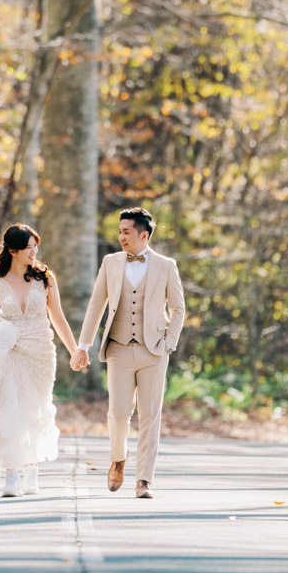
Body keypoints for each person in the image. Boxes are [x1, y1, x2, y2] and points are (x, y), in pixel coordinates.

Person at [0, 224, 87, 497]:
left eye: (36, 246)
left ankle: (31, 468)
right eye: (29, 248)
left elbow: (57, 318)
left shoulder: (45, 279)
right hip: (9, 351)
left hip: (40, 352)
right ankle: (12, 474)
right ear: (13, 250)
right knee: (10, 409)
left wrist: (75, 350)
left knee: (33, 409)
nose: (34, 252)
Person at [75, 207, 186, 498]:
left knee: (150, 416)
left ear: (143, 234)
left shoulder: (166, 265)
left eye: (126, 232)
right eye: (120, 231)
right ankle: (118, 459)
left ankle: (144, 480)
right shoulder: (110, 262)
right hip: (119, 349)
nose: (121, 237)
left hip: (154, 351)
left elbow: (178, 309)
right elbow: (96, 305)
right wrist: (82, 346)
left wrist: (169, 344)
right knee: (119, 413)